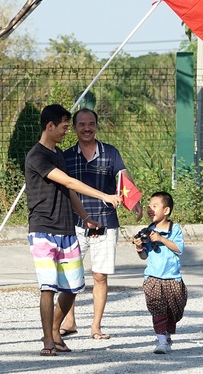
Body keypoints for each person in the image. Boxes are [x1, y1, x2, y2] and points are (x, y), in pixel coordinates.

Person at [24, 104, 121, 357]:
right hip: (43, 229)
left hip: (68, 229)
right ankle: (48, 340)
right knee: (48, 287)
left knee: (73, 287)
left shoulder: (58, 154)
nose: (68, 132)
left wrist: (86, 217)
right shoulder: (37, 156)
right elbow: (69, 181)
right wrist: (103, 195)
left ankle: (56, 330)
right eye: (66, 127)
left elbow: (69, 191)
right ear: (50, 126)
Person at [59, 108, 143, 340]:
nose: (87, 128)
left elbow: (123, 177)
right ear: (74, 128)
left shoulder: (110, 153)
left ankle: (96, 326)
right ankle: (69, 320)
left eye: (91, 124)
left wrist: (134, 200)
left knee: (100, 276)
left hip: (105, 223)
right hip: (74, 223)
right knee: (69, 275)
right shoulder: (65, 156)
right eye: (82, 124)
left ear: (97, 126)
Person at [133, 191, 188, 355]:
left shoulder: (175, 229)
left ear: (166, 210)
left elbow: (179, 249)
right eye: (149, 206)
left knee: (174, 311)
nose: (150, 209)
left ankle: (167, 334)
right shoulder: (148, 231)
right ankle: (161, 341)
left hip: (173, 278)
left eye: (155, 206)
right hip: (153, 278)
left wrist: (161, 239)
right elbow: (144, 256)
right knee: (157, 308)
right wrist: (138, 246)